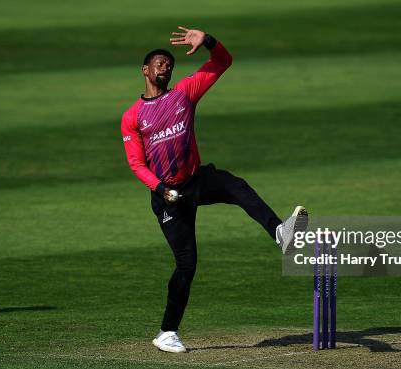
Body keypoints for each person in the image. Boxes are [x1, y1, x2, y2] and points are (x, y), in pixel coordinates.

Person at [121, 26, 307, 353]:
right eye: (159, 63)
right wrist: (160, 187)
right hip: (168, 197)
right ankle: (167, 332)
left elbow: (223, 62)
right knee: (187, 264)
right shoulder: (133, 117)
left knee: (236, 186)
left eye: (169, 64)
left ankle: (280, 233)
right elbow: (137, 164)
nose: (165, 67)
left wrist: (207, 41)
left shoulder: (184, 93)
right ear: (145, 70)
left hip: (196, 180)